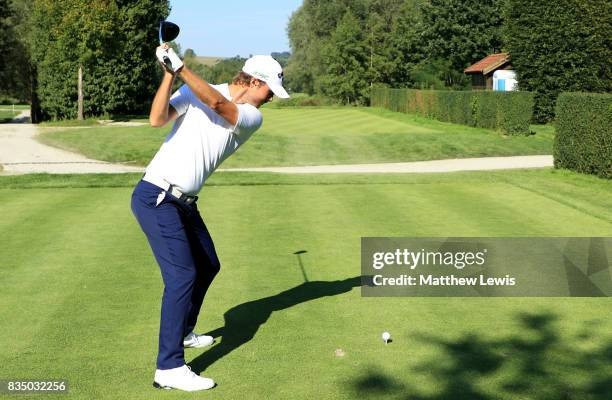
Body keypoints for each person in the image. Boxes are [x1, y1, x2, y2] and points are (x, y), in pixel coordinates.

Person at [130, 44, 289, 392]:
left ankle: (185, 331)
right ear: (251, 81)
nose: (270, 99)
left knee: (208, 264)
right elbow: (157, 119)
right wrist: (169, 76)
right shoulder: (195, 89)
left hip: (184, 202)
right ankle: (168, 367)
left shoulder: (250, 116)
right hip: (157, 196)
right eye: (268, 91)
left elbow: (218, 105)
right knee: (182, 275)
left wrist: (182, 68)